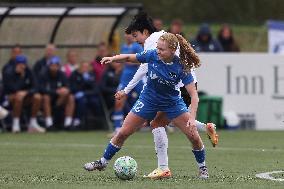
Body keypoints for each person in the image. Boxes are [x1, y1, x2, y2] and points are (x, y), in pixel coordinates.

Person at [84, 33, 209, 179]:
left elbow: (194, 96)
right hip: (148, 100)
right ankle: (102, 162)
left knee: (193, 136)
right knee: (123, 132)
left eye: (162, 49)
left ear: (172, 50)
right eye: (157, 48)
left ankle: (203, 168)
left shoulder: (182, 66)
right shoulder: (152, 55)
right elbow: (130, 57)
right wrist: (113, 58)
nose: (158, 51)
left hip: (172, 103)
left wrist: (192, 118)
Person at [113, 12, 218, 179]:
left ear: (145, 32)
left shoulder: (154, 45)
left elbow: (143, 68)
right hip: (174, 88)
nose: (135, 40)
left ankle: (177, 167)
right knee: (158, 123)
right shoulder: (162, 39)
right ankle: (203, 131)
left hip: (178, 87)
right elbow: (136, 60)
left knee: (182, 129)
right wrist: (113, 59)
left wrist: (126, 90)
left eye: (135, 35)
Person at [2, 55, 45, 133]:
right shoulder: (8, 72)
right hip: (10, 97)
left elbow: (35, 86)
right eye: (19, 63)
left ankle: (33, 123)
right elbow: (12, 88)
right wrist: (21, 78)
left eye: (23, 63)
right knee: (19, 97)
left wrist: (26, 92)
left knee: (38, 97)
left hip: (25, 96)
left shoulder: (29, 71)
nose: (22, 66)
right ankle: (16, 124)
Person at [110, 34, 143, 135]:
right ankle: (117, 129)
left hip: (137, 79)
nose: (128, 36)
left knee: (150, 100)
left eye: (130, 34)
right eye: (126, 34)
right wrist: (119, 67)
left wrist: (130, 61)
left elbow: (143, 61)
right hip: (125, 80)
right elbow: (123, 61)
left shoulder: (137, 47)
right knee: (118, 102)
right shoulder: (124, 47)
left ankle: (164, 124)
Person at [39, 56, 74, 130]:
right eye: (52, 65)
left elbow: (68, 87)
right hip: (48, 99)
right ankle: (49, 124)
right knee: (46, 97)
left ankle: (68, 124)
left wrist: (65, 90)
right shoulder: (43, 74)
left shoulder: (62, 74)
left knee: (70, 97)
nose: (54, 67)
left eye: (56, 65)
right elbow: (41, 89)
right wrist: (55, 91)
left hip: (60, 99)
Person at [69, 61, 100, 128]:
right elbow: (73, 87)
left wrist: (87, 81)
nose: (85, 69)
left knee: (95, 102)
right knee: (82, 101)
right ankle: (78, 119)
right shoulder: (75, 74)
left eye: (86, 67)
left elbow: (95, 89)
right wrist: (83, 80)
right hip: (77, 95)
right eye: (83, 67)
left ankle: (98, 120)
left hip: (89, 94)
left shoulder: (91, 75)